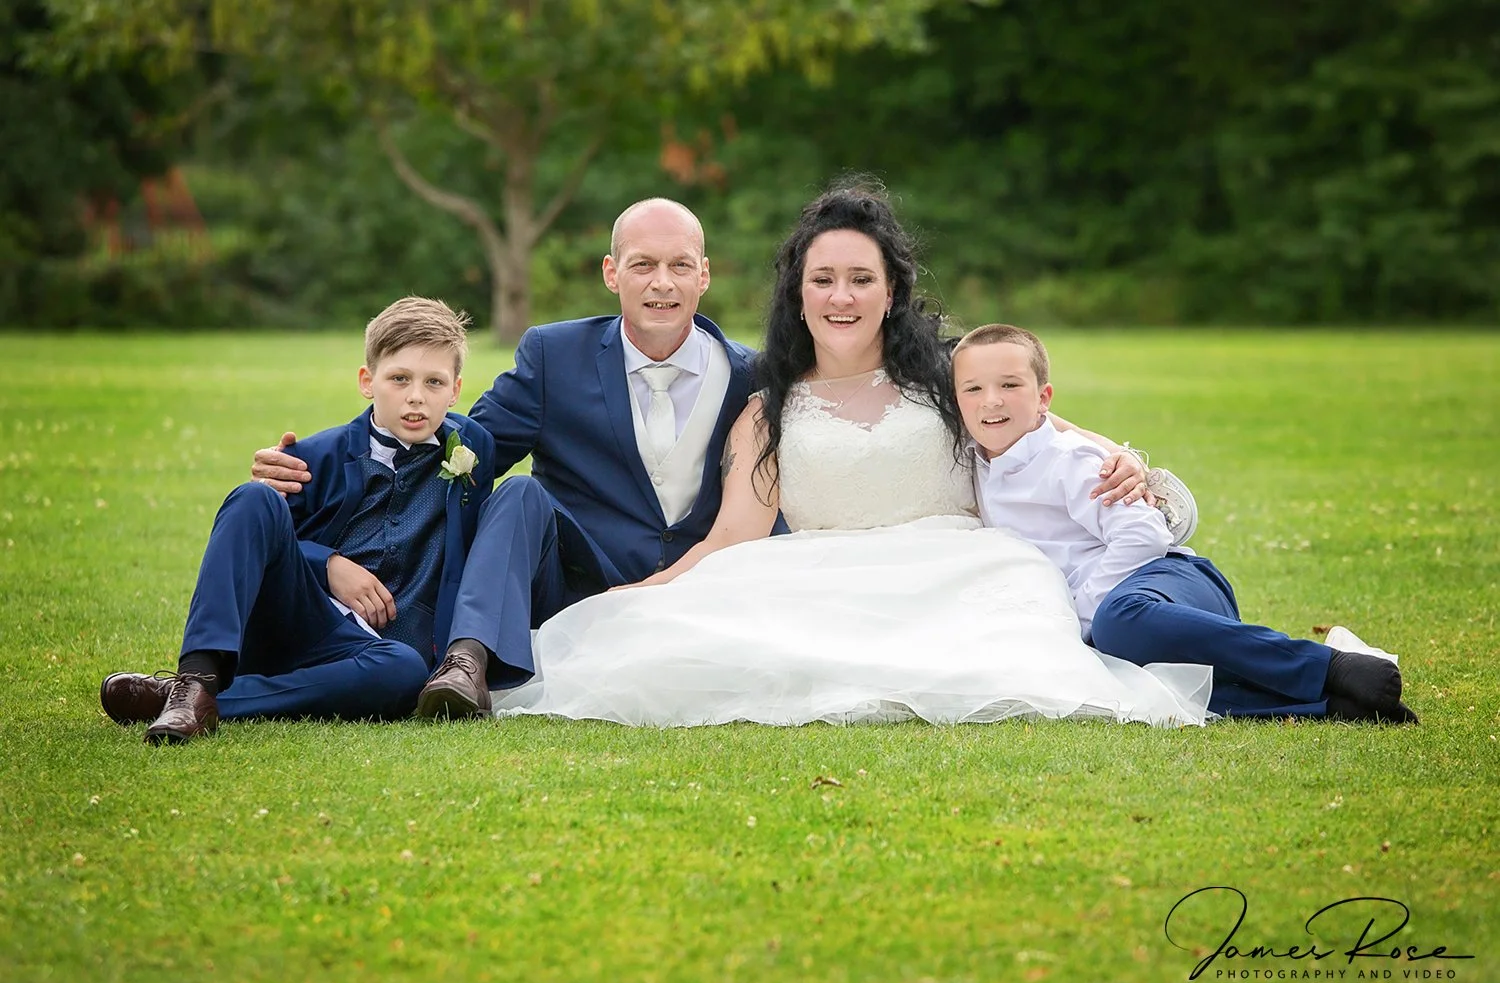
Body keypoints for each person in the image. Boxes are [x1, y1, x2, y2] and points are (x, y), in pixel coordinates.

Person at [250, 197, 1161, 720]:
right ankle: (464, 665)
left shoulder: (755, 375)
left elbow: (1003, 406)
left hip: (765, 567)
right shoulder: (554, 356)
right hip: (594, 569)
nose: (659, 283)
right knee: (518, 498)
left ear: (704, 274)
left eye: (678, 265)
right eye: (641, 265)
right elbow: (463, 443)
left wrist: (1121, 459)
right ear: (612, 273)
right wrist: (332, 457)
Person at [490, 184, 1211, 727]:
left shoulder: (951, 378)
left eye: (862, 279)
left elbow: (1051, 433)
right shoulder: (766, 408)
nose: (842, 296)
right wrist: (642, 595)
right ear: (797, 293)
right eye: (823, 279)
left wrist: (1125, 461)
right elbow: (732, 537)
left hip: (959, 573)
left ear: (891, 290)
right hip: (820, 578)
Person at [952, 322, 1418, 723]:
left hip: (1168, 581)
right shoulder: (975, 467)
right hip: (1123, 617)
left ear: (1044, 398)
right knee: (1131, 682)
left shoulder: (1071, 459)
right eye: (973, 389)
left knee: (1117, 624)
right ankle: (1334, 705)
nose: (991, 401)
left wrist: (1083, 615)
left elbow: (1143, 534)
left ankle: (1327, 666)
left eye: (1010, 385)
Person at [100, 297, 496, 743]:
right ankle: (197, 678)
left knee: (405, 671)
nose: (416, 396)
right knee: (254, 498)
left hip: (374, 654)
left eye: (434, 382)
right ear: (368, 382)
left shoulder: (472, 449)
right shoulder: (309, 458)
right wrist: (326, 564)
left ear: (456, 390)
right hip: (299, 619)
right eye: (399, 378)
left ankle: (185, 700)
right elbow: (259, 544)